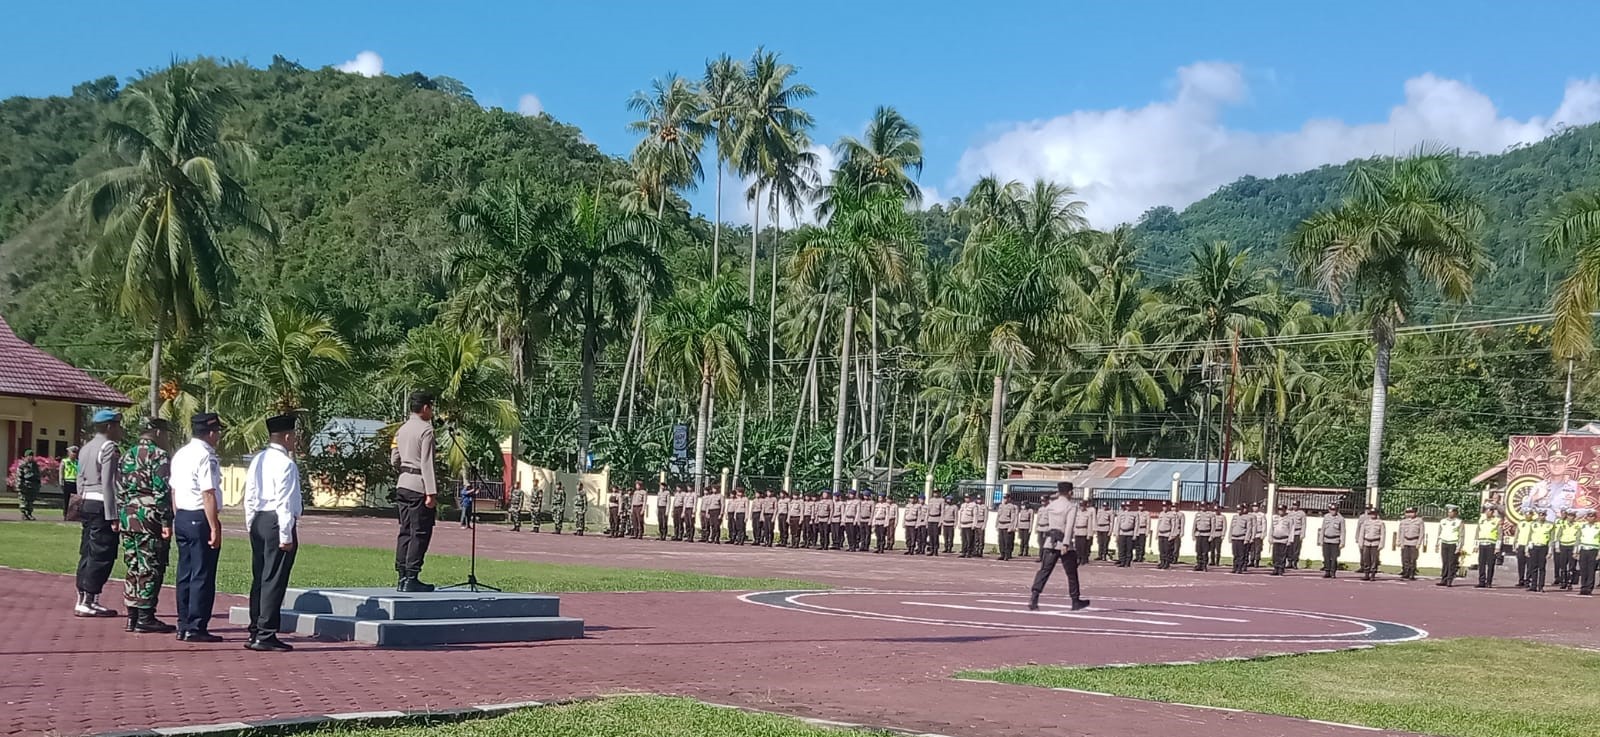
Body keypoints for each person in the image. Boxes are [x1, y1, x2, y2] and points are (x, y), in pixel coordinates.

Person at [244, 414, 302, 652]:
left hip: (259, 519)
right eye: (294, 436)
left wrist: (250, 524)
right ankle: (266, 633)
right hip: (276, 521)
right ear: (287, 436)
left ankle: (255, 628)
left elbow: (249, 495)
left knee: (260, 577)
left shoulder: (258, 459)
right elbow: (284, 503)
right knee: (274, 579)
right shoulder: (286, 464)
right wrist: (286, 536)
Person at [172, 412, 226, 640]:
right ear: (211, 433)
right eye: (218, 432)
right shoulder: (206, 456)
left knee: (185, 572)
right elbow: (208, 494)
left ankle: (183, 622)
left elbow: (173, 490)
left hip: (182, 515)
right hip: (198, 515)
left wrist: (178, 516)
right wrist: (214, 526)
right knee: (202, 574)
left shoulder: (181, 454)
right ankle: (196, 626)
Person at [119, 419, 175, 634]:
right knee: (150, 565)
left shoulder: (127, 454)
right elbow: (161, 491)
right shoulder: (158, 455)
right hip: (149, 516)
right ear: (158, 432)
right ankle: (146, 616)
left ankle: (132, 615)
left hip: (129, 514)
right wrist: (166, 520)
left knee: (132, 564)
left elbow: (120, 489)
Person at [73, 409, 123, 618]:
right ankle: (89, 600)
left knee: (87, 550)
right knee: (102, 552)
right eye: (118, 425)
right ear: (110, 426)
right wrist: (113, 515)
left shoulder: (86, 447)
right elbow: (109, 483)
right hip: (102, 504)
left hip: (86, 502)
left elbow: (79, 478)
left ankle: (83, 598)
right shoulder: (108, 446)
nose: (120, 429)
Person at [391, 392, 438, 591]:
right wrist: (431, 492)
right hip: (419, 484)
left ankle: (401, 574)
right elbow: (427, 463)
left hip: (403, 482)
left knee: (405, 530)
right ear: (425, 408)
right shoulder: (426, 430)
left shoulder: (401, 429)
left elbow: (394, 457)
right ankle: (412, 576)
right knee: (419, 532)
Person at [1028, 482, 1090, 612]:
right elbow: (1069, 526)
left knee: (1044, 570)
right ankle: (1075, 600)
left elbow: (1047, 523)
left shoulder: (1051, 505)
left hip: (1050, 541)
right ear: (1069, 492)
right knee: (1072, 573)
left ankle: (1034, 596)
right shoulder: (1070, 507)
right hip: (1063, 543)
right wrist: (1066, 543)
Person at [1525, 512, 1554, 592]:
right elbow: (1529, 537)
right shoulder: (1533, 524)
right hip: (1534, 547)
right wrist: (1527, 549)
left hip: (1543, 547)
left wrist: (1550, 551)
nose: (1542, 517)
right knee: (1533, 567)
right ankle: (1533, 585)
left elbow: (1551, 540)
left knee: (1542, 568)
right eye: (1540, 515)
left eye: (1543, 515)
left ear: (1545, 516)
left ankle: (1541, 586)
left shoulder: (1550, 525)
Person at [1436, 505, 1463, 586]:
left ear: (1455, 513)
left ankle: (1449, 580)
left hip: (1453, 543)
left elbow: (1461, 535)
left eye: (1451, 512)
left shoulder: (1459, 522)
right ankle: (1443, 579)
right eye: (1449, 512)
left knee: (1451, 563)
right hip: (1444, 543)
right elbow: (1439, 533)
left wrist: (1459, 547)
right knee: (1445, 562)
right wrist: (1437, 543)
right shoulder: (1443, 521)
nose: (1450, 513)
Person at [1476, 506, 1502, 588]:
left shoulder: (1497, 521)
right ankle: (1481, 581)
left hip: (1491, 544)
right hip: (1482, 543)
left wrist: (1497, 547)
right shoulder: (1482, 520)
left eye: (1490, 511)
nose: (1488, 513)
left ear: (1492, 512)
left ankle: (1489, 581)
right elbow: (1477, 533)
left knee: (1491, 564)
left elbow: (1499, 534)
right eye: (1486, 511)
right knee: (1481, 563)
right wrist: (1476, 545)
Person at [1397, 507, 1426, 580]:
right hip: (1405, 541)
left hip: (1414, 541)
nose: (1410, 514)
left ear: (1415, 513)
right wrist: (1400, 541)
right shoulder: (1403, 521)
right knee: (1405, 558)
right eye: (1409, 512)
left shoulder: (1419, 521)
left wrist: (1419, 543)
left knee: (1413, 558)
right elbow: (1400, 532)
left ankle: (1412, 573)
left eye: (1412, 512)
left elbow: (1421, 533)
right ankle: (1405, 572)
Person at [1554, 509, 1579, 591]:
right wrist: (1557, 547)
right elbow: (1558, 535)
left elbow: (1578, 538)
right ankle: (1563, 582)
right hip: (1563, 545)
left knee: (1572, 566)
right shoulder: (1563, 524)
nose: (1570, 517)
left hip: (1572, 545)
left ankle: (1570, 583)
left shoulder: (1577, 525)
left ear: (1574, 517)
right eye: (1569, 516)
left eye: (1572, 516)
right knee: (1562, 565)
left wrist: (1576, 550)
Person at [1357, 507, 1384, 581]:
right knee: (1366, 558)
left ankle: (1373, 574)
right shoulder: (1366, 522)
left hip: (1375, 543)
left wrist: (1381, 544)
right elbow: (1362, 533)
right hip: (1366, 542)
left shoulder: (1380, 523)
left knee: (1374, 559)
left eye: (1374, 514)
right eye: (1371, 514)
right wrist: (1360, 542)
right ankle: (1366, 574)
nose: (1372, 515)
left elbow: (1382, 535)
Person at [1320, 503, 1345, 578]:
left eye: (1334, 510)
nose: (1333, 511)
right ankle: (1327, 571)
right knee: (1326, 556)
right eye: (1331, 510)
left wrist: (1342, 542)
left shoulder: (1341, 519)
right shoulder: (1326, 517)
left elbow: (1343, 531)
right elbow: (1323, 529)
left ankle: (1333, 572)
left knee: (1334, 558)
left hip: (1335, 540)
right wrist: (1321, 539)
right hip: (1326, 539)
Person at [1576, 509, 1598, 596]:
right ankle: (1583, 587)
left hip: (1593, 549)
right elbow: (1578, 539)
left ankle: (1589, 588)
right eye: (1589, 516)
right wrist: (1576, 551)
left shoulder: (1598, 526)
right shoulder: (1583, 526)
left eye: (1592, 516)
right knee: (1583, 569)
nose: (1590, 518)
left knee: (1591, 570)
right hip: (1583, 549)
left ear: (1595, 517)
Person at [16, 448, 40, 520]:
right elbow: (19, 476)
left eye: (32, 455)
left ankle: (29, 513)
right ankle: (24, 514)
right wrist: (20, 485)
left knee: (31, 500)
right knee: (24, 500)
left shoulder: (35, 465)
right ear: (25, 456)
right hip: (25, 484)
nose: (31, 457)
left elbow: (38, 475)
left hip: (33, 485)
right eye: (29, 455)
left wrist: (38, 484)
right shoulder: (22, 465)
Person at [1269, 504, 1294, 576]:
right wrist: (1270, 537)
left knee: (1282, 555)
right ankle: (1275, 568)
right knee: (1275, 555)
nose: (1280, 511)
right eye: (1279, 510)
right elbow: (1272, 528)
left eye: (1282, 510)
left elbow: (1291, 529)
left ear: (1285, 510)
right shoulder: (1275, 518)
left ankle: (1281, 568)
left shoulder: (1289, 519)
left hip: (1284, 539)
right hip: (1275, 539)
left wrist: (1290, 540)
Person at [1228, 504, 1251, 574]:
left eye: (1240, 509)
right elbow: (1231, 528)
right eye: (1237, 509)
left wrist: (1246, 539)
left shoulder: (1247, 518)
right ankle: (1234, 567)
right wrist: (1229, 537)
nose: (1239, 511)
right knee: (1235, 554)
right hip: (1234, 537)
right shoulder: (1234, 517)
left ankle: (1239, 568)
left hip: (1242, 538)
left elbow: (1249, 529)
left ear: (1243, 509)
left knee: (1241, 555)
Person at [1192, 502, 1214, 572]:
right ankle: (1199, 564)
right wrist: (1193, 534)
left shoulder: (1210, 514)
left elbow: (1213, 526)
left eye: (1204, 506)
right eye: (1201, 506)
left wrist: (1211, 535)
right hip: (1199, 534)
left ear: (1207, 506)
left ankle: (1204, 565)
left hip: (1206, 534)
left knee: (1205, 551)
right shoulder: (1198, 514)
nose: (1202, 507)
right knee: (1198, 551)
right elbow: (1194, 525)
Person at [61, 445, 80, 519]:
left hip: (75, 482)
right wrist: (61, 482)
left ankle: (73, 515)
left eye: (75, 452)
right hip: (67, 482)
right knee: (66, 500)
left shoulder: (77, 462)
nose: (74, 454)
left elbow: (80, 472)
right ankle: (65, 514)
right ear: (69, 453)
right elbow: (61, 472)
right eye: (73, 452)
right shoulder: (65, 461)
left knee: (75, 501)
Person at [1287, 501, 1307, 569]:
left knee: (1296, 548)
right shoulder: (1289, 513)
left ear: (1299, 506)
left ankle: (1295, 562)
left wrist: (1302, 534)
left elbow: (1304, 524)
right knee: (1290, 548)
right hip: (1290, 533)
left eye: (1296, 505)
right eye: (1294, 505)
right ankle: (1289, 562)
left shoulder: (1302, 513)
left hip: (1297, 532)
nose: (1295, 506)